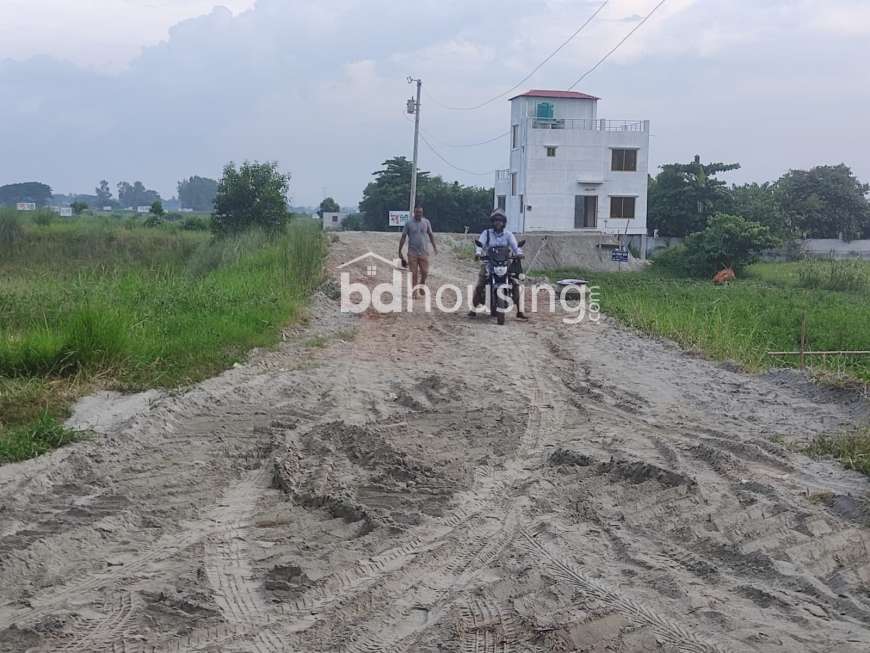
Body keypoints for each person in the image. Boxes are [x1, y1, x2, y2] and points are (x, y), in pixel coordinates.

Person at [468, 209, 527, 319]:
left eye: (500, 220)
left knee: (515, 284)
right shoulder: (486, 233)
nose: (498, 222)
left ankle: (519, 311)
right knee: (480, 284)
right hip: (489, 263)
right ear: (493, 222)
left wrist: (519, 253)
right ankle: (473, 309)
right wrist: (478, 253)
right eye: (496, 220)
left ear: (504, 222)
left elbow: (515, 246)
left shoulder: (508, 235)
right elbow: (480, 244)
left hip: (505, 264)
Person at [398, 206, 438, 298]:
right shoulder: (408, 223)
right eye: (417, 212)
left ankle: (422, 283)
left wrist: (435, 247)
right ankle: (415, 292)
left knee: (425, 272)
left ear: (422, 213)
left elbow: (431, 235)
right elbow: (403, 237)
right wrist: (399, 251)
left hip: (424, 252)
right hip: (412, 253)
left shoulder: (426, 222)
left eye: (420, 212)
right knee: (414, 273)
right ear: (414, 213)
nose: (419, 214)